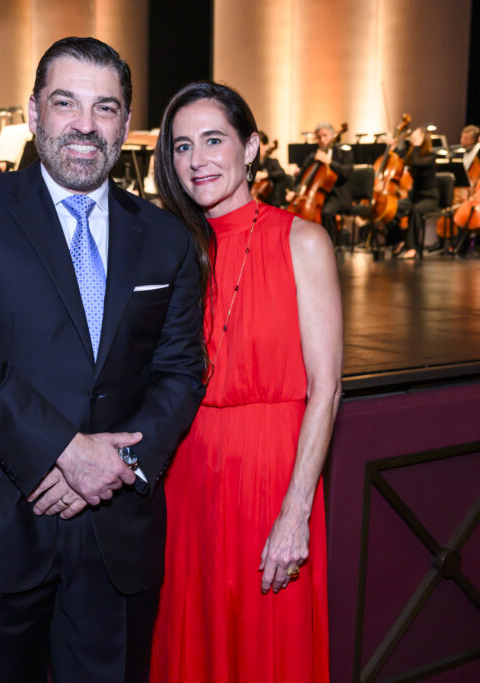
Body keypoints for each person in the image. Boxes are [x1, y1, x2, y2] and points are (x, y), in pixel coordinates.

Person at [0, 36, 205, 683]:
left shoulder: (165, 237)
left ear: (126, 125)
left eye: (105, 108)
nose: (84, 124)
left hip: (117, 531)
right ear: (34, 111)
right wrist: (66, 451)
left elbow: (182, 369)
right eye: (65, 101)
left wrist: (120, 461)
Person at [150, 80, 342, 683]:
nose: (197, 159)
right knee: (192, 640)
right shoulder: (172, 249)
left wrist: (296, 513)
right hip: (188, 476)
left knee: (266, 651)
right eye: (182, 146)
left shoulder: (302, 240)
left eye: (213, 140)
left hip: (271, 476)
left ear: (252, 146)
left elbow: (327, 387)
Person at [392, 126, 438, 260]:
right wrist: (394, 147)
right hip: (415, 196)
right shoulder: (413, 153)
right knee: (394, 208)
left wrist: (416, 146)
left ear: (423, 139)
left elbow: (417, 162)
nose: (412, 137)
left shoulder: (430, 156)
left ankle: (413, 248)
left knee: (416, 211)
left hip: (430, 197)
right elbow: (403, 159)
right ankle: (400, 240)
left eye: (416, 135)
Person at [252, 131, 290, 208]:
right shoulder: (250, 164)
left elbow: (282, 173)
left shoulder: (273, 162)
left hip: (271, 203)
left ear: (265, 146)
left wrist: (266, 175)